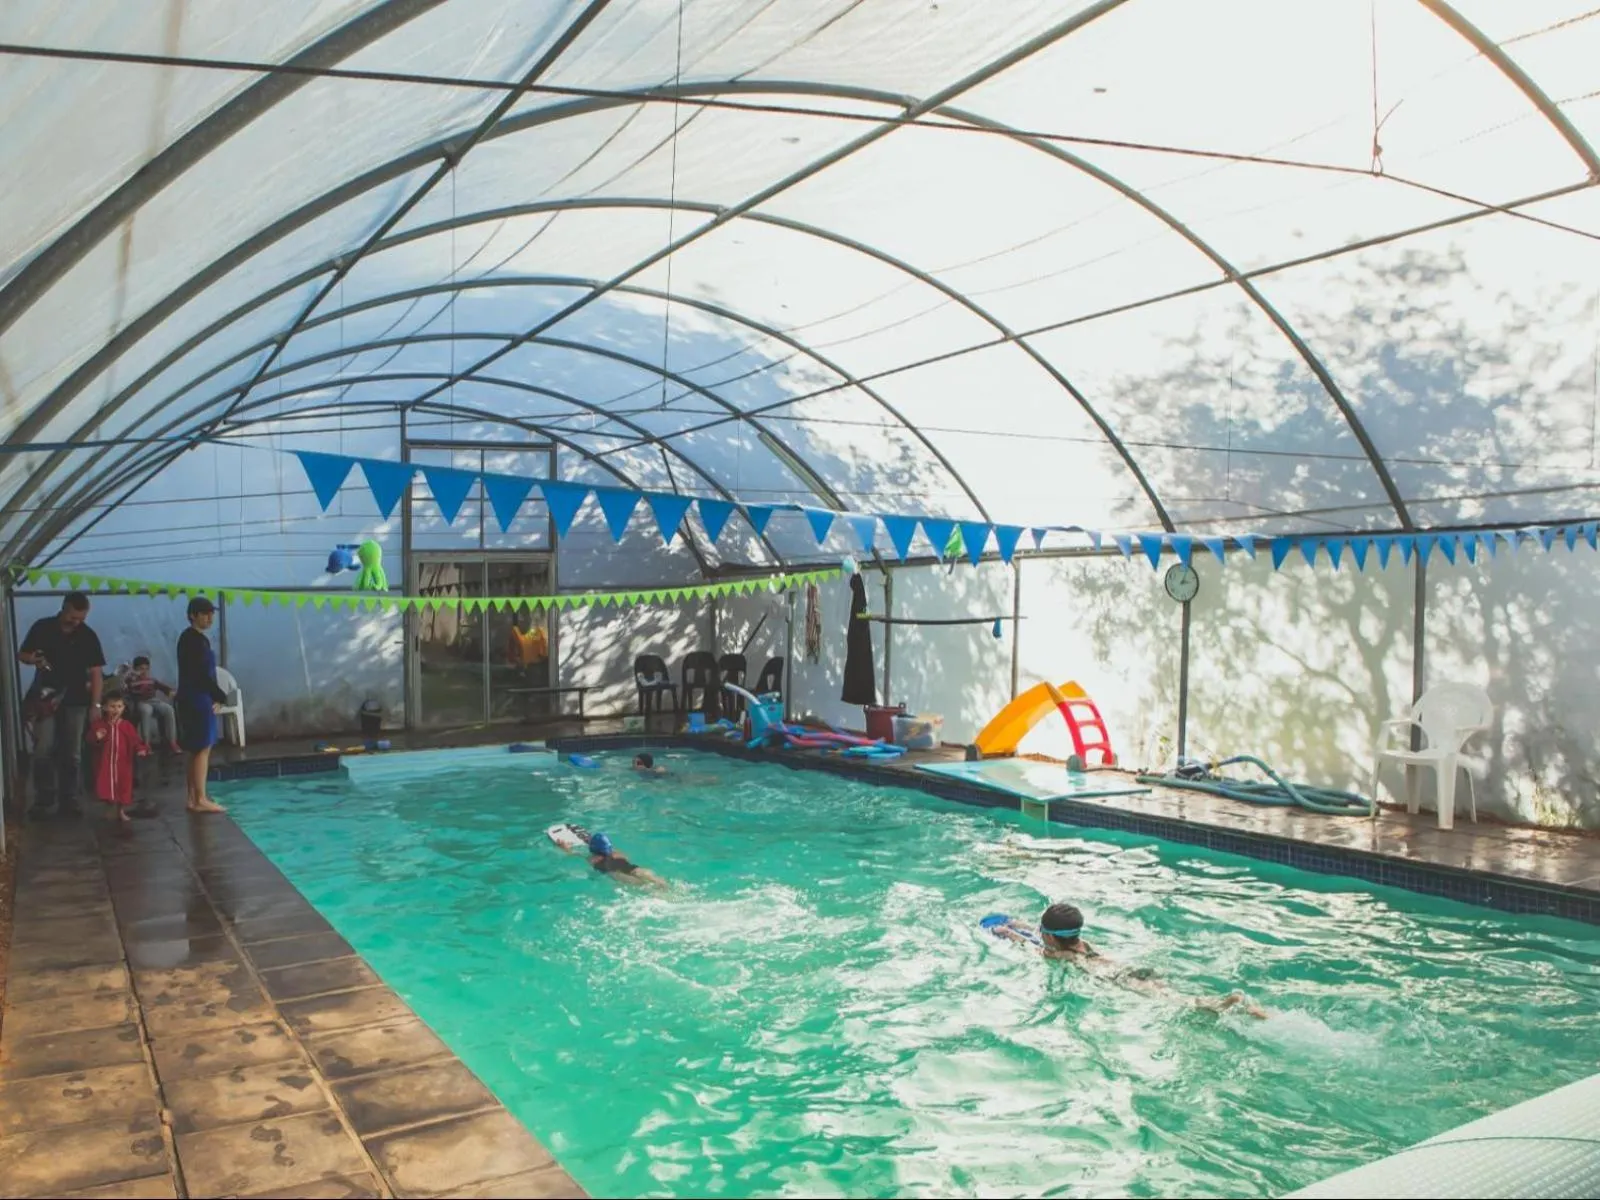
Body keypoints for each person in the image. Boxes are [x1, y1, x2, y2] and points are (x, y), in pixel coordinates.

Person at [981, 902, 1267, 1018]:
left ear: (1050, 938)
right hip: (1128, 968)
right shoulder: (1082, 943)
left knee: (1179, 1002)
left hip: (1117, 979)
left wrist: (1006, 931)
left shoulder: (1056, 955)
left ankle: (1223, 1005)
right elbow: (1039, 933)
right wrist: (1019, 922)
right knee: (1171, 990)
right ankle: (1233, 1005)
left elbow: (1028, 944)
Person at [17, 591, 106, 817]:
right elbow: (22, 654)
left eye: (81, 619)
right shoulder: (43, 627)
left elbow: (96, 672)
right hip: (46, 697)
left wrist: (95, 705)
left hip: (76, 700)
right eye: (73, 618)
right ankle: (44, 798)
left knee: (72, 751)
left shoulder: (88, 635)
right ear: (64, 608)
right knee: (43, 747)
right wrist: (33, 659)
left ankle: (70, 798)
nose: (76, 623)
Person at [175, 596, 229, 814]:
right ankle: (200, 799)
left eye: (211, 613)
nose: (210, 618)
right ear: (192, 616)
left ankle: (192, 798)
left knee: (195, 750)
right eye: (205, 614)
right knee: (202, 750)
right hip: (196, 698)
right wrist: (219, 695)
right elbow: (199, 675)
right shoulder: (193, 641)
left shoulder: (194, 638)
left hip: (194, 697)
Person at [88, 693, 151, 825]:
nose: (116, 710)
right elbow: (90, 741)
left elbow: (135, 740)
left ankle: (121, 810)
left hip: (123, 763)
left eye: (119, 706)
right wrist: (97, 738)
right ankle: (109, 808)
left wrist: (141, 749)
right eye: (112, 706)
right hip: (105, 763)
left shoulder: (127, 726)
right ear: (104, 708)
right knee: (106, 786)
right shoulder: (99, 725)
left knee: (123, 787)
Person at [120, 654, 180, 755]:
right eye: (141, 669)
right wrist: (128, 677)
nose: (144, 671)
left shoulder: (152, 680)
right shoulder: (131, 680)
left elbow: (163, 687)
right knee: (146, 710)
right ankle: (146, 743)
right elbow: (125, 690)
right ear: (135, 669)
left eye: (146, 669)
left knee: (168, 709)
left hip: (154, 701)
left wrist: (170, 692)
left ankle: (171, 741)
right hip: (140, 702)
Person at [586, 831, 666, 888]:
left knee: (643, 886)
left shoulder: (592, 859)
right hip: (631, 868)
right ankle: (665, 886)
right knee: (653, 878)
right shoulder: (617, 854)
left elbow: (580, 855)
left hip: (617, 874)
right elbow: (627, 858)